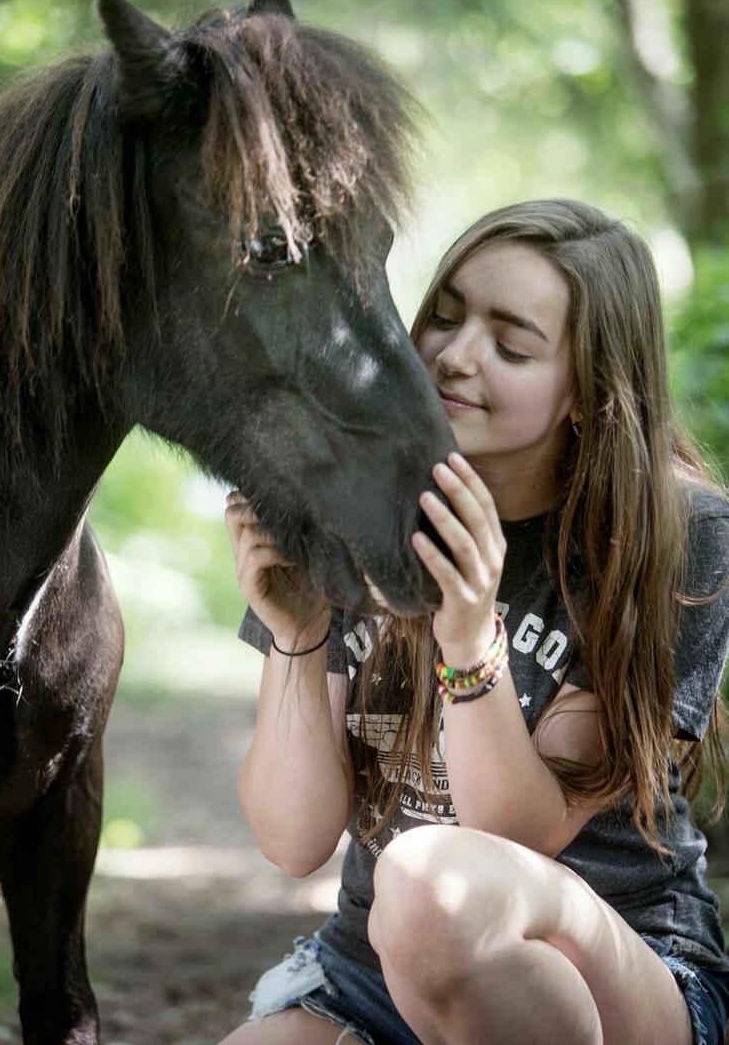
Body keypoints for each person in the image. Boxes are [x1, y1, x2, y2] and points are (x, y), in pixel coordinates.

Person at [219, 200, 729, 1045]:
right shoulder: (346, 507)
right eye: (444, 319)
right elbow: (291, 836)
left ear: (588, 389)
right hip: (368, 979)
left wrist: (469, 634)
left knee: (429, 886)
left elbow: (517, 838)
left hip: (613, 972)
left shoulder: (676, 536)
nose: (455, 358)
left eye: (512, 343)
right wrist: (296, 633)